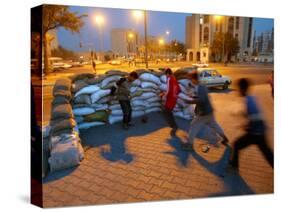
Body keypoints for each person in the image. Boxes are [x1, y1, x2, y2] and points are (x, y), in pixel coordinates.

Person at [227, 78, 273, 171]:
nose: (237, 91)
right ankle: (234, 165)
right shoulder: (251, 98)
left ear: (242, 89)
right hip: (259, 132)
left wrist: (247, 126)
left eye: (238, 88)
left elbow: (255, 117)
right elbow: (253, 115)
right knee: (267, 154)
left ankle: (234, 166)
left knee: (236, 144)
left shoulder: (249, 100)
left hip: (256, 133)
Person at [181, 70, 229, 151]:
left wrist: (190, 101)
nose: (189, 81)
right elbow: (201, 97)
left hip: (204, 112)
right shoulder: (200, 85)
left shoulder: (200, 87)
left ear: (194, 79)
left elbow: (202, 100)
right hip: (209, 111)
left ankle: (189, 145)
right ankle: (225, 138)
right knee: (214, 125)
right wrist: (193, 97)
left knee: (193, 125)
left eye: (190, 79)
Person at [160, 68, 180, 136]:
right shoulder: (174, 78)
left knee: (166, 112)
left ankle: (174, 126)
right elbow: (178, 89)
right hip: (174, 98)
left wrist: (164, 96)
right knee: (168, 112)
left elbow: (168, 90)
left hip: (170, 99)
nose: (165, 76)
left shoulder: (169, 78)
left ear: (167, 73)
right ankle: (173, 125)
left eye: (165, 74)